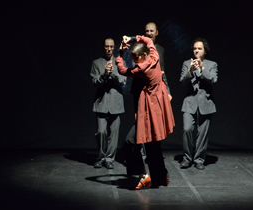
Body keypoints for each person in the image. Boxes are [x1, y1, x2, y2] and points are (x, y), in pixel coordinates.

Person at [116, 35, 175, 189]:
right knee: (153, 145)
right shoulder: (154, 55)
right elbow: (149, 41)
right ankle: (162, 175)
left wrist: (120, 53)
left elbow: (122, 70)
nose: (134, 60)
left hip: (149, 110)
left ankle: (144, 175)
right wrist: (134, 38)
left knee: (131, 141)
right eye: (132, 56)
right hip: (157, 108)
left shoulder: (141, 69)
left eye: (136, 57)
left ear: (143, 55)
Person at [179, 38, 218, 170]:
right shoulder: (186, 63)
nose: (196, 50)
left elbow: (213, 79)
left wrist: (202, 69)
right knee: (187, 129)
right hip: (189, 103)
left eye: (199, 48)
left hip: (206, 104)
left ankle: (199, 159)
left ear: (205, 51)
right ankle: (187, 158)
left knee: (202, 134)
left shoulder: (212, 64)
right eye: (195, 48)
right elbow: (182, 81)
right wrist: (190, 71)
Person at [90, 37, 126, 169]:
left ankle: (110, 158)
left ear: (114, 47)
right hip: (102, 102)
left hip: (116, 103)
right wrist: (104, 75)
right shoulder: (96, 63)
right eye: (107, 46)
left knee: (114, 133)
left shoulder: (119, 62)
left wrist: (114, 73)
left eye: (111, 47)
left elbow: (123, 81)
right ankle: (101, 157)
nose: (109, 49)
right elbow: (94, 82)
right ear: (103, 47)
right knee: (101, 132)